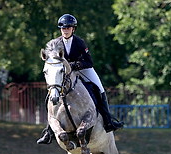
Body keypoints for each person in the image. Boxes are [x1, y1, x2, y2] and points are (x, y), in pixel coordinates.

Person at [37, 14, 123, 144]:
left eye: (68, 28)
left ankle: (108, 121)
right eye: (63, 28)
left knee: (99, 88)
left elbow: (89, 62)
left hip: (82, 69)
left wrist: (75, 65)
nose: (65, 30)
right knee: (51, 94)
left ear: (73, 29)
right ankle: (49, 131)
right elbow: (50, 61)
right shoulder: (55, 43)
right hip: (64, 72)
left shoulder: (79, 42)